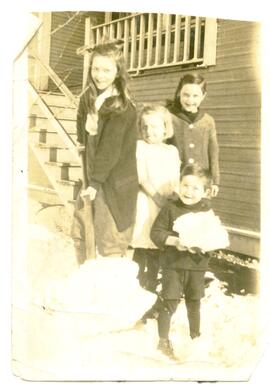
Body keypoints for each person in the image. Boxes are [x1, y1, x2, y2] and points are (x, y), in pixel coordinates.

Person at [150, 164, 229, 359]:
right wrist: (175, 241)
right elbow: (156, 233)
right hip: (173, 264)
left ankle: (195, 337)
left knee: (194, 301)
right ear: (179, 185)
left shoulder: (206, 211)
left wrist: (207, 244)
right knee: (169, 301)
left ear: (206, 192)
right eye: (185, 185)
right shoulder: (171, 208)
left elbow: (214, 235)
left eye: (196, 188)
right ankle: (163, 341)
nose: (189, 192)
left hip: (196, 266)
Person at [71, 40, 139, 262]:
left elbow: (110, 150)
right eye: (95, 68)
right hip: (91, 178)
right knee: (82, 234)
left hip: (112, 184)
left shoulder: (122, 107)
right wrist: (82, 143)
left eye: (106, 70)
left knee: (108, 239)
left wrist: (95, 183)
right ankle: (86, 280)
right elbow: (82, 130)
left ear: (118, 72)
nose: (100, 75)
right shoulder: (87, 98)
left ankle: (109, 287)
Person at [131, 104, 181, 295]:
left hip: (167, 204)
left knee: (159, 247)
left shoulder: (171, 151)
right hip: (147, 202)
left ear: (165, 127)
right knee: (143, 243)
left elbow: (175, 179)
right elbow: (142, 178)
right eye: (144, 127)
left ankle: (152, 288)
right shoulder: (141, 147)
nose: (149, 131)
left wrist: (174, 199)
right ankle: (136, 287)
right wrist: (158, 198)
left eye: (154, 126)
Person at [167, 72, 220, 197]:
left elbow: (213, 153)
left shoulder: (208, 121)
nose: (190, 100)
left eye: (195, 96)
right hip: (176, 181)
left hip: (200, 183)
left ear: (203, 96)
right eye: (186, 95)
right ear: (179, 92)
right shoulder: (169, 117)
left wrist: (215, 182)